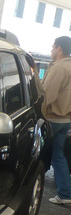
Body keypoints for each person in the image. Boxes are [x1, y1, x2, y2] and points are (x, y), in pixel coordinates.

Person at [42, 36, 71, 204]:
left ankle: (30, 184)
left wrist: (38, 114)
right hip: (65, 120)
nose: (51, 50)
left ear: (59, 48)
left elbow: (47, 95)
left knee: (38, 152)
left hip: (52, 119)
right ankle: (65, 193)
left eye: (53, 47)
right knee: (58, 155)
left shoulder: (59, 67)